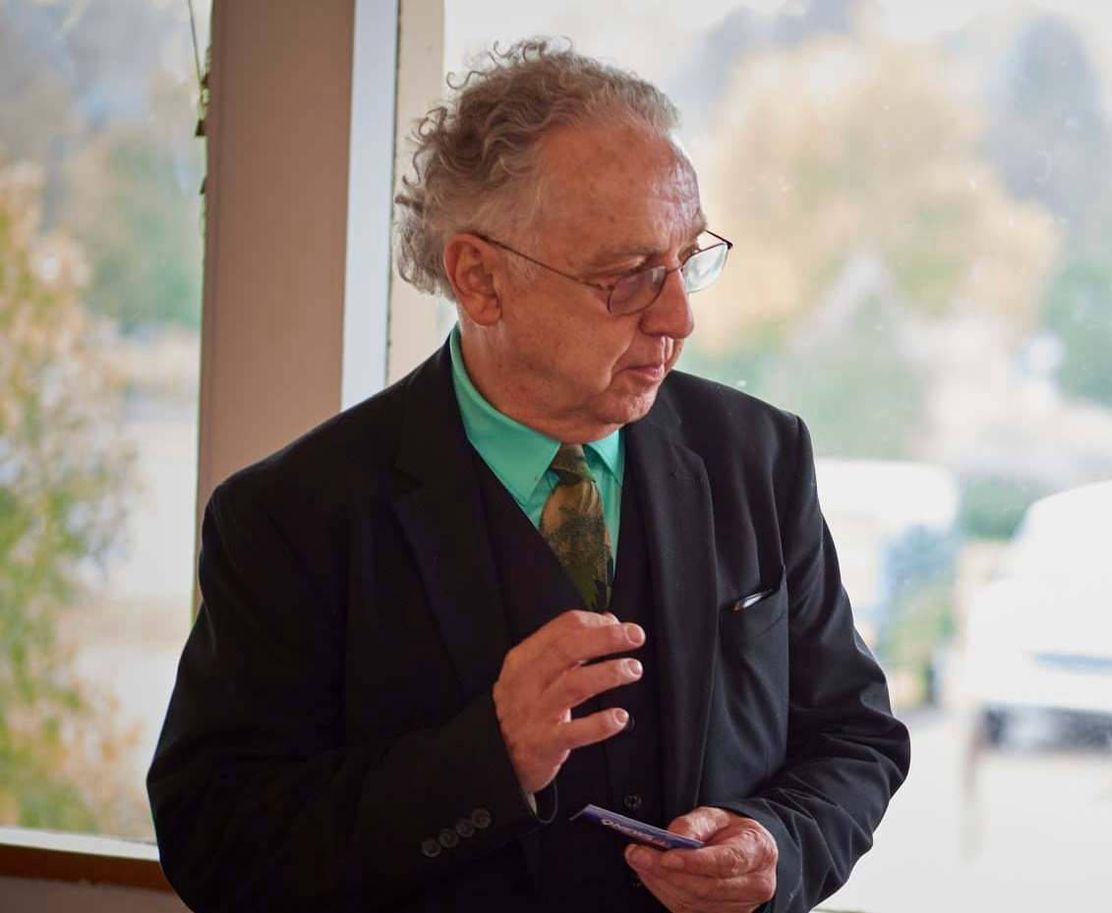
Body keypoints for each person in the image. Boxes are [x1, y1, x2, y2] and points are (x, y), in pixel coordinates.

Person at [148, 39, 909, 913]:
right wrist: (488, 758)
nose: (679, 316)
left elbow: (855, 735)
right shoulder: (291, 518)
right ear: (480, 279)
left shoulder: (760, 457)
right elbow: (219, 842)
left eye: (687, 259)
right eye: (628, 277)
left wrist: (777, 844)